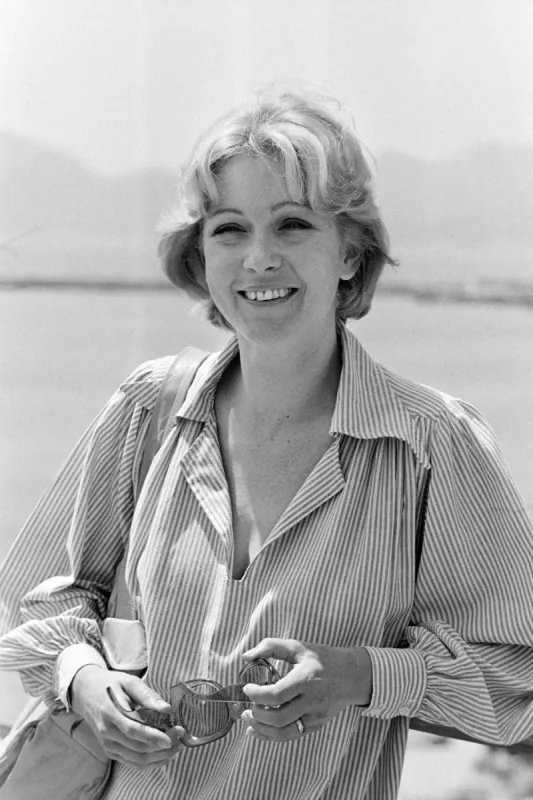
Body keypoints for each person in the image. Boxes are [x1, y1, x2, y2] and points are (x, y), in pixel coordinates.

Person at [1, 88, 533, 800]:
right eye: (229, 229)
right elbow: (40, 599)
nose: (258, 259)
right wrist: (84, 680)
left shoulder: (430, 445)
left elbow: (515, 676)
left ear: (350, 253)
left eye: (292, 225)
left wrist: (359, 675)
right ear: (200, 256)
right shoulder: (149, 406)